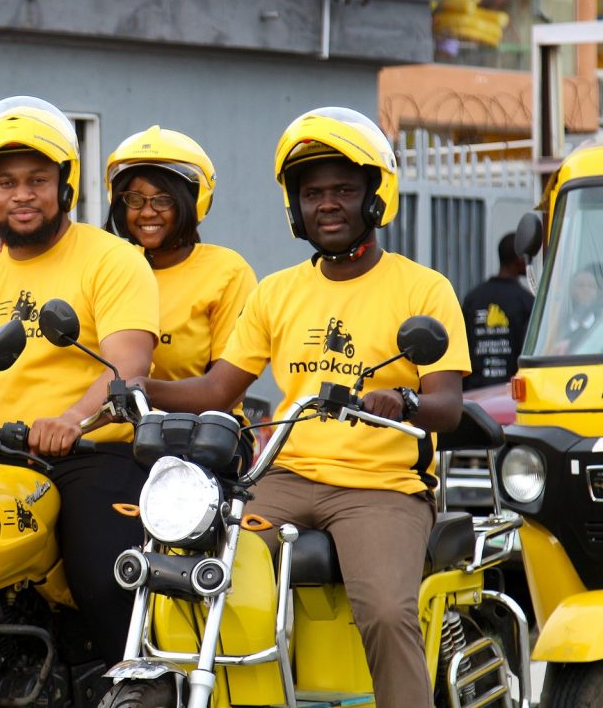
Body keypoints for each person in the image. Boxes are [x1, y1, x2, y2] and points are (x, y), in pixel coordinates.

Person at [134, 107, 469, 708]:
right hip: (284, 476)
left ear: (375, 196)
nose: (328, 204)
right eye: (312, 193)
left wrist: (403, 399)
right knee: (188, 569)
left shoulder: (424, 288)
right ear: (296, 207)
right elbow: (216, 391)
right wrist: (136, 388)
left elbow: (447, 406)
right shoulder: (277, 291)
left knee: (388, 612)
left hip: (382, 486)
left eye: (343, 189)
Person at [0, 96, 159, 663]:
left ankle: (135, 682)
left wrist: (71, 419)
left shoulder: (114, 260)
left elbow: (129, 368)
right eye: (5, 182)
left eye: (36, 180)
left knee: (103, 577)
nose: (21, 194)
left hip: (93, 452)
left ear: (64, 187)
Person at [103, 125, 257, 457]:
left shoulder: (227, 271)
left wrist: (138, 390)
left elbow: (223, 392)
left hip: (206, 436)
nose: (146, 211)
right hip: (120, 437)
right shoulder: (109, 263)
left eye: (162, 199)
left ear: (193, 201)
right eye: (134, 199)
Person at [461, 232, 534, 388]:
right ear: (519, 259)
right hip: (511, 394)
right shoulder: (526, 301)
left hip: (474, 394)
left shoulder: (473, 298)